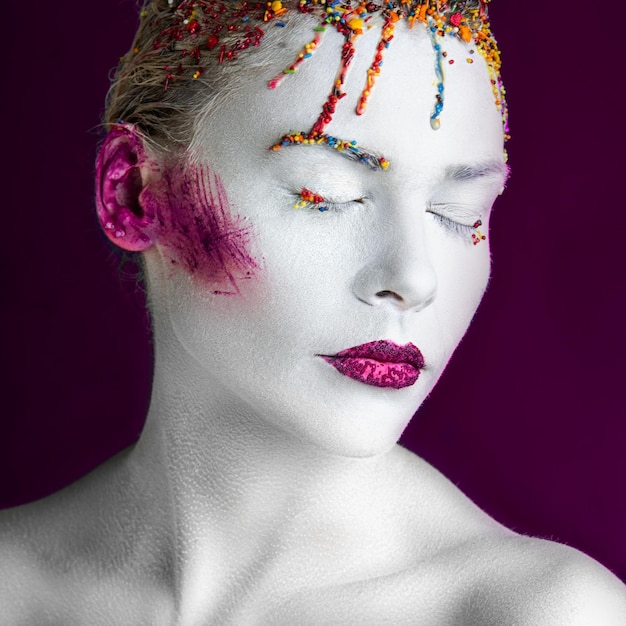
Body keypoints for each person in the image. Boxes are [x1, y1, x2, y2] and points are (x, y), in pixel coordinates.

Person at [1, 0, 625, 623]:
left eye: (457, 212)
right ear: (136, 195)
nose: (413, 278)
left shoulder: (544, 613)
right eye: (326, 195)